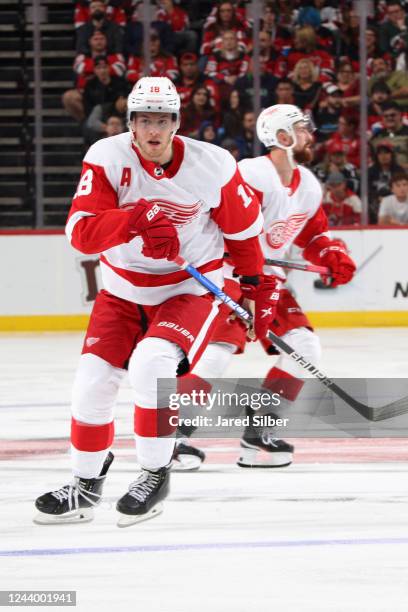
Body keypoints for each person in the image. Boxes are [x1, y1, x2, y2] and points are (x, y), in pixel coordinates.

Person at [34, 76, 274, 526]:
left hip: (188, 289)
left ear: (176, 122)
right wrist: (134, 218)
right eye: (143, 119)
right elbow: (80, 234)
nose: (152, 130)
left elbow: (243, 235)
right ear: (130, 123)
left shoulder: (215, 164)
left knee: (151, 365)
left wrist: (257, 291)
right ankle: (85, 485)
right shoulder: (106, 157)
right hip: (122, 292)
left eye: (161, 119)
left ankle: (154, 473)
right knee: (91, 383)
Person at [175, 104, 356, 469]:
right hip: (231, 275)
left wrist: (332, 254)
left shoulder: (306, 184)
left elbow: (313, 234)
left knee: (305, 347)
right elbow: (219, 223)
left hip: (270, 282)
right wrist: (246, 267)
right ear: (283, 137)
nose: (311, 135)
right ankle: (173, 438)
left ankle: (258, 432)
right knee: (218, 350)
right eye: (303, 129)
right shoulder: (250, 174)